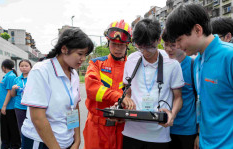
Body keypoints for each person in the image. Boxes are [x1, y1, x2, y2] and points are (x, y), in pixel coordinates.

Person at [165, 3, 233, 149]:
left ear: (197, 30)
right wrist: (200, 134)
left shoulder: (229, 56)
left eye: (179, 40)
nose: (177, 46)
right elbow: (203, 103)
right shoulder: (197, 62)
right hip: (204, 143)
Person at [20, 28, 94, 149]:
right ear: (64, 49)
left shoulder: (74, 74)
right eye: (80, 54)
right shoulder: (42, 71)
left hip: (66, 140)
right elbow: (38, 118)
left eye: (86, 55)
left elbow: (73, 107)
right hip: (40, 141)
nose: (83, 59)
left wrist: (77, 139)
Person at [122, 18, 184, 149]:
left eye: (149, 47)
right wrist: (126, 100)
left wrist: (172, 115)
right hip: (131, 132)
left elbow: (178, 97)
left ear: (158, 39)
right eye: (140, 47)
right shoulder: (132, 60)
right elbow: (127, 92)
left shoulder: (172, 62)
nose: (145, 52)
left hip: (159, 136)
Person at [83, 19, 133, 149]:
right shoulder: (96, 64)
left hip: (123, 129)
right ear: (108, 42)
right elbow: (91, 89)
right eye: (113, 44)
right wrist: (119, 97)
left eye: (121, 45)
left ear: (127, 45)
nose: (117, 48)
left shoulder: (133, 66)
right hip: (97, 130)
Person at [162, 29, 197, 149]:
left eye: (172, 45)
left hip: (187, 130)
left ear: (181, 44)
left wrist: (199, 132)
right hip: (164, 128)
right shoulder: (161, 65)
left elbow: (201, 100)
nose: (168, 49)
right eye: (166, 45)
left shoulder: (193, 65)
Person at [0, 59, 21, 149]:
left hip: (9, 107)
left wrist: (4, 106)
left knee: (12, 127)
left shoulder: (10, 76)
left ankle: (14, 145)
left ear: (4, 67)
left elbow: (9, 93)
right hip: (5, 106)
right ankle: (7, 144)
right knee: (5, 127)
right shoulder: (7, 76)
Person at [11, 59, 32, 135]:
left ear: (30, 67)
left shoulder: (34, 78)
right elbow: (13, 95)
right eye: (21, 66)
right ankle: (23, 143)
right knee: (21, 127)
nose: (24, 68)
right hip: (19, 107)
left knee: (33, 127)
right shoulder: (16, 79)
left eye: (26, 66)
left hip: (31, 107)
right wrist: (13, 89)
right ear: (19, 67)